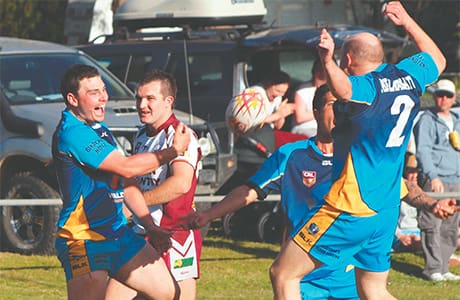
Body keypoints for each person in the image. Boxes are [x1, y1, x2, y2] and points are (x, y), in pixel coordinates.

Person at [181, 85, 458, 299]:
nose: (340, 112)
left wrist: (431, 205)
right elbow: (249, 190)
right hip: (304, 277)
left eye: (344, 106)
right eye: (332, 105)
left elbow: (401, 188)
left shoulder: (359, 157)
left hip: (349, 278)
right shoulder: (291, 155)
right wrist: (209, 214)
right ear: (315, 112)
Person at [269, 2, 447, 299]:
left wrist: (327, 61)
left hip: (350, 205)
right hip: (386, 208)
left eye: (342, 59)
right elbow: (438, 59)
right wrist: (407, 21)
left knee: (283, 274)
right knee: (372, 289)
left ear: (348, 59)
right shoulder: (407, 76)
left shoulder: (368, 87)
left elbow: (344, 90)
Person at [52, 64, 190, 299]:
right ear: (73, 99)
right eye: (94, 92)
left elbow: (125, 180)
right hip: (84, 239)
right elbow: (126, 166)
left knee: (168, 292)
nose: (103, 97)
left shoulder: (100, 129)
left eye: (103, 89)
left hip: (117, 234)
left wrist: (150, 226)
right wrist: (173, 151)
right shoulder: (72, 132)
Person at [107, 69, 203, 300]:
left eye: (150, 98)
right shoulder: (141, 135)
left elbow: (180, 184)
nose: (142, 105)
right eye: (139, 98)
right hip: (141, 233)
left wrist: (133, 206)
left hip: (173, 236)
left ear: (168, 101)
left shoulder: (181, 135)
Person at [413, 78, 460, 281]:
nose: (443, 99)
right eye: (440, 94)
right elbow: (423, 150)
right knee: (432, 224)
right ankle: (432, 268)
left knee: (451, 225)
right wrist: (432, 176)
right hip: (436, 179)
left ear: (454, 98)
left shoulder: (457, 119)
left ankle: (444, 266)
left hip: (456, 177)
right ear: (434, 97)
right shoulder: (426, 119)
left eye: (448, 95)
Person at [291, 58, 327, 137]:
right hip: (304, 129)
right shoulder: (302, 90)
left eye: (324, 71)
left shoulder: (332, 90)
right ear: (314, 72)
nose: (322, 74)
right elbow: (300, 117)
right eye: (319, 70)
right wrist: (323, 112)